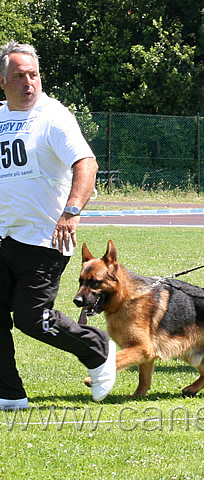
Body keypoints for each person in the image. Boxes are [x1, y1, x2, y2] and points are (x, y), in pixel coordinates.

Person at [0, 41, 116, 408]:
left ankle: (98, 349)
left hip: (45, 238)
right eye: (18, 76)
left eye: (33, 75)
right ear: (2, 80)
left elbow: (86, 163)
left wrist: (72, 209)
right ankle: (9, 393)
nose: (28, 82)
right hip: (3, 237)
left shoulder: (54, 116)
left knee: (33, 318)